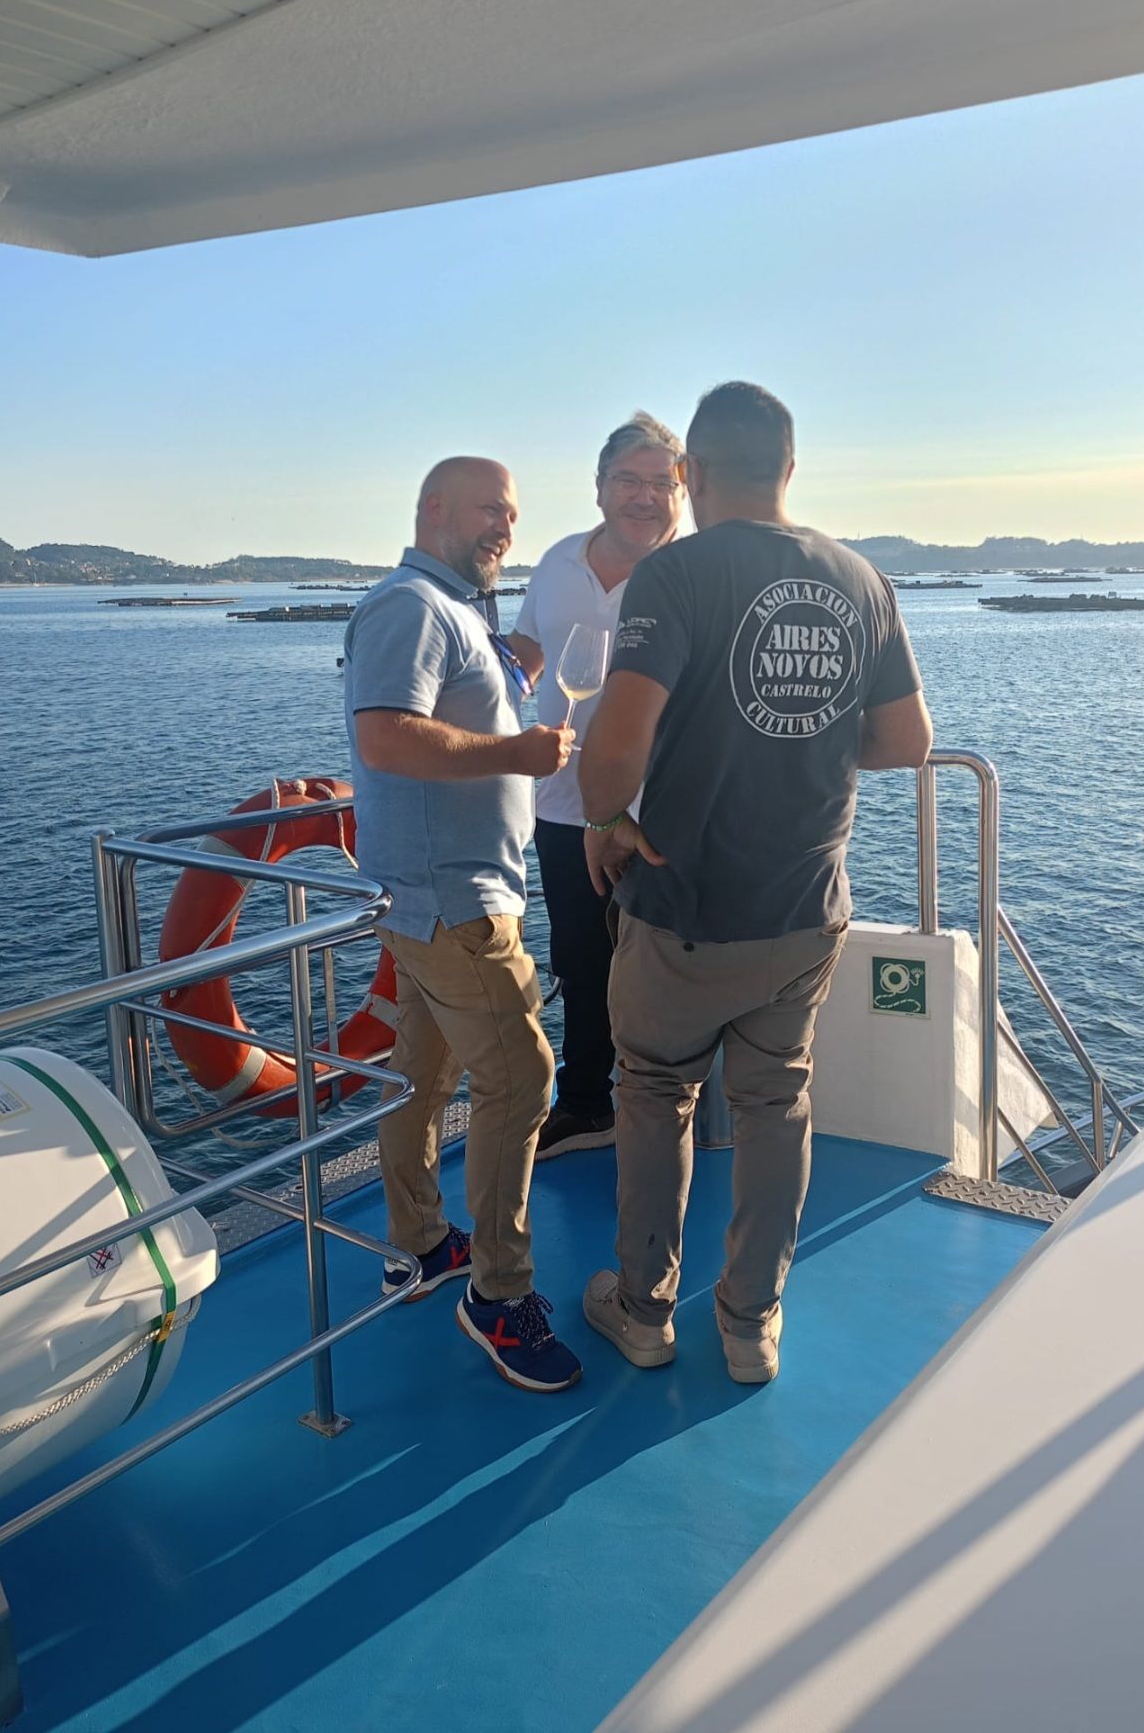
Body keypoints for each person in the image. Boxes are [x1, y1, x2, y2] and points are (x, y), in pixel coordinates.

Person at [577, 384, 933, 1385]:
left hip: (683, 907)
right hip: (802, 909)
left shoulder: (672, 575)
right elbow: (906, 742)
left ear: (688, 473)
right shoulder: (859, 578)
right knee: (776, 1105)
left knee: (653, 1094)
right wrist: (807, 744)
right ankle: (750, 1323)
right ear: (788, 465)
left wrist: (608, 819)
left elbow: (613, 746)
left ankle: (645, 1312)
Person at [343, 456, 583, 1393]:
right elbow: (386, 735)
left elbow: (430, 718)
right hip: (457, 905)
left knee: (422, 1075)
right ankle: (498, 1297)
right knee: (523, 1078)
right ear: (433, 508)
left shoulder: (453, 612)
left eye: (513, 515)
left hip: (423, 900)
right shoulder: (414, 605)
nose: (504, 527)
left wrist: (504, 674)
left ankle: (422, 1243)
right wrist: (520, 748)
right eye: (490, 509)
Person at [507, 412, 685, 1159]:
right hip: (563, 805)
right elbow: (524, 655)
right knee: (581, 959)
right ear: (600, 487)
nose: (643, 497)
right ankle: (587, 1104)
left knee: (669, 964)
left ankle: (672, 1111)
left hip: (663, 807)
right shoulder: (555, 561)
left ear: (683, 489)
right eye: (628, 481)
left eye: (660, 483)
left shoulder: (697, 569)